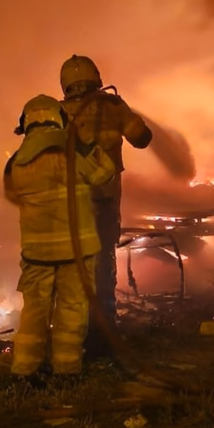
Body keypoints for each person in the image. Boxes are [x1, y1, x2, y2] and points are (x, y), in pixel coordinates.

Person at [3, 94, 116, 378]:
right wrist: (88, 143)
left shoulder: (17, 163)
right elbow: (106, 174)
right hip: (77, 255)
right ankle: (66, 373)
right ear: (60, 118)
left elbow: (12, 194)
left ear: (26, 124)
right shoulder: (74, 153)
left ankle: (24, 373)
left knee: (34, 315)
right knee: (72, 311)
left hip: (37, 256)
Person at [58, 55, 152, 357]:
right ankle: (105, 333)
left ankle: (73, 332)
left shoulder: (57, 113)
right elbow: (142, 138)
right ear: (96, 77)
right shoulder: (113, 107)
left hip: (69, 204)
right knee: (103, 262)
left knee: (73, 265)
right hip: (106, 198)